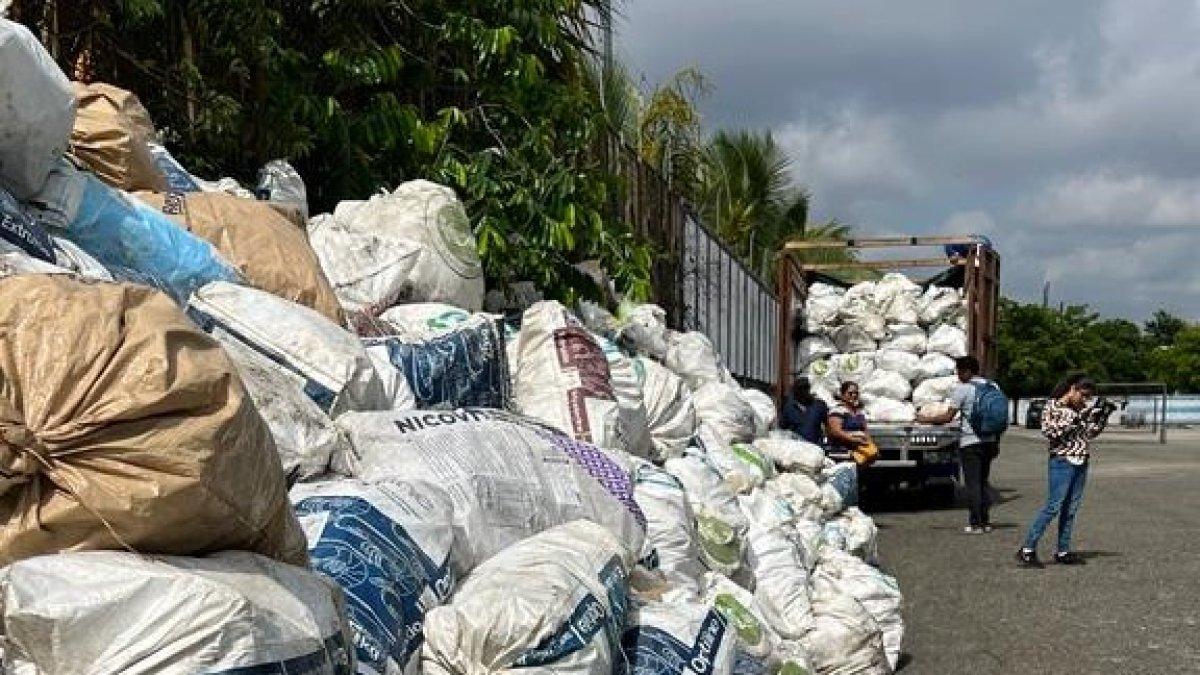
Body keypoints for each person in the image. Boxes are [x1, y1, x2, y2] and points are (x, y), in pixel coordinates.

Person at [1016, 373, 1106, 568]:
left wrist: (1100, 420)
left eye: (1088, 397)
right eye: (1082, 395)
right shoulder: (1053, 406)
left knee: (1071, 509)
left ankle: (1063, 550)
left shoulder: (1081, 408)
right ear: (1072, 388)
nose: (1084, 400)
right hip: (1062, 461)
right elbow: (1050, 432)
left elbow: (1089, 434)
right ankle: (1027, 548)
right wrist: (1075, 418)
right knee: (1053, 506)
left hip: (1081, 460)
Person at [916, 355, 1001, 534]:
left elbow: (947, 417)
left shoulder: (963, 389)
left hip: (970, 442)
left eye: (959, 371)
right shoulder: (993, 386)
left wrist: (925, 419)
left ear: (967, 371)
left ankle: (975, 523)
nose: (957, 375)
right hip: (990, 440)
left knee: (972, 484)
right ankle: (985, 522)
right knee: (983, 482)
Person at [779, 376, 830, 445]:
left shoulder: (819, 405)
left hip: (816, 447)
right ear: (795, 391)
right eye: (800, 389)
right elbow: (783, 430)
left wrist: (826, 441)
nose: (803, 392)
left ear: (809, 389)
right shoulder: (788, 408)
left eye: (805, 388)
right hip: (796, 448)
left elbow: (828, 426)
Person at [826, 381, 872, 455]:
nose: (854, 395)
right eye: (850, 393)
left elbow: (865, 430)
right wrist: (854, 440)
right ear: (842, 395)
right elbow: (836, 432)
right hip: (842, 452)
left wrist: (869, 443)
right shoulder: (837, 411)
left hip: (860, 451)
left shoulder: (859, 412)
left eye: (856, 393)